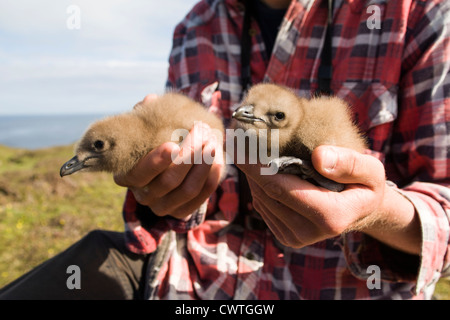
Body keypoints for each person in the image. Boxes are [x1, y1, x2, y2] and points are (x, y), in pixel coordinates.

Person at [1, 0, 449, 300]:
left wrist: (376, 210)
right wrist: (168, 197)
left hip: (342, 289)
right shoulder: (196, 26)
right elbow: (178, 205)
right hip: (189, 283)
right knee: (74, 270)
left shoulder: (421, 13)